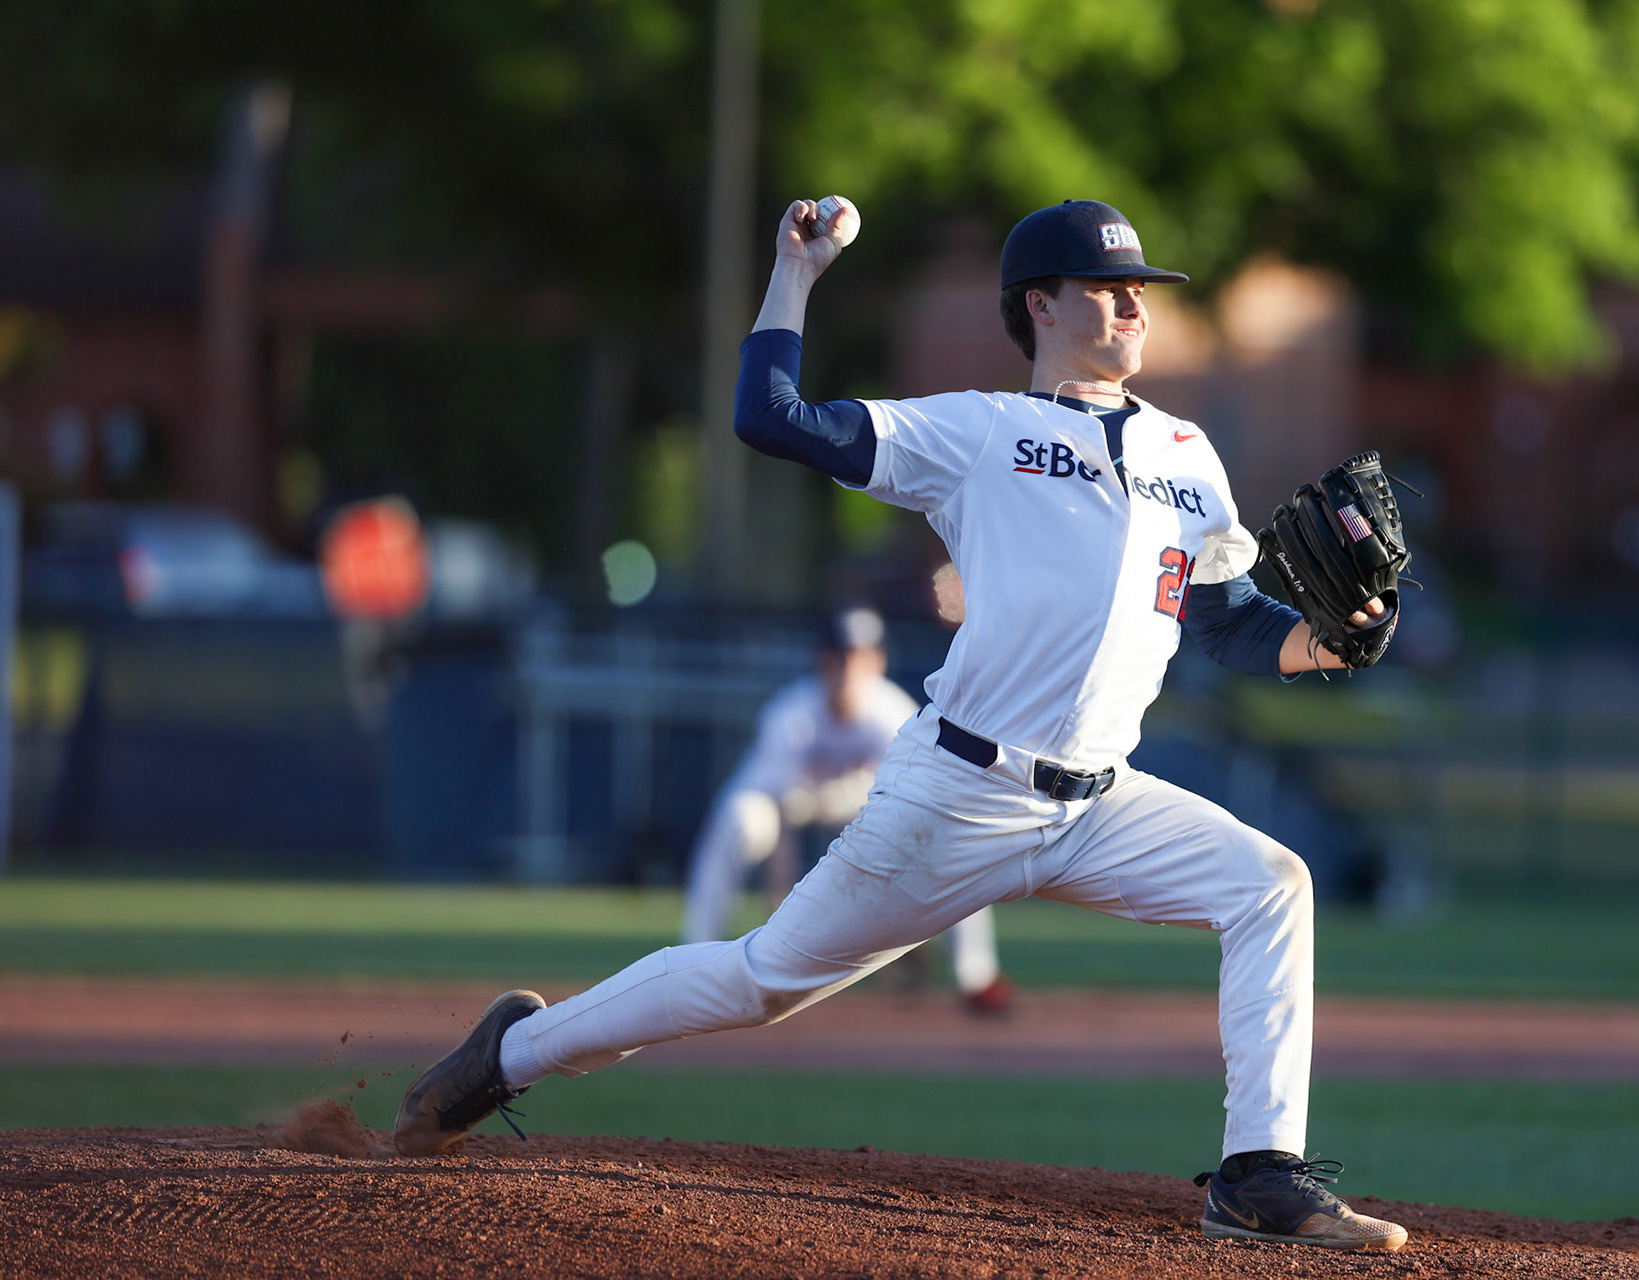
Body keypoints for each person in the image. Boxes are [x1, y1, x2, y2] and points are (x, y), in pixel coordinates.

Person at [395, 196, 1407, 1254]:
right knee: (761, 980)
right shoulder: (977, 431)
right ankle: (512, 1051)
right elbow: (769, 415)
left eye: (1140, 289)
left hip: (1103, 799)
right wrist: (797, 273)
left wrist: (1334, 641)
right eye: (1109, 286)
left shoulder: (1188, 452)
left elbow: (1229, 620)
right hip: (959, 794)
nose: (1133, 304)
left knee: (1271, 883)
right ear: (1039, 303)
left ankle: (1256, 1176)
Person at [681, 605, 1012, 1013]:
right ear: (823, 663)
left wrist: (896, 932)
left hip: (862, 802)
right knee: (738, 821)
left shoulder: (892, 713)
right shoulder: (793, 714)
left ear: (878, 662)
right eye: (840, 658)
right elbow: (783, 816)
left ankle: (976, 977)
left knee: (952, 833)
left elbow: (916, 815)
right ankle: (693, 961)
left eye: (859, 657)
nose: (848, 670)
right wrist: (779, 915)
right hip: (784, 804)